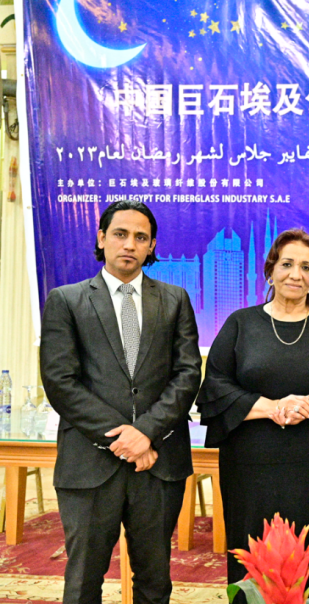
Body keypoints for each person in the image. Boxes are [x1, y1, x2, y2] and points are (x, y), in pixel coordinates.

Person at [40, 200, 201, 604]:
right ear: (101, 238)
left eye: (141, 237)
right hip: (89, 464)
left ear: (151, 246)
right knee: (83, 582)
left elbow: (187, 374)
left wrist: (145, 433)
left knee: (154, 581)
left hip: (157, 463)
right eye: (120, 234)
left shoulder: (175, 299)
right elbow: (60, 381)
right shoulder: (67, 300)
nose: (130, 244)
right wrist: (123, 439)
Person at [197, 229, 309, 598]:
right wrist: (273, 408)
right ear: (270, 270)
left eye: (306, 267)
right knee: (252, 557)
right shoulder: (240, 323)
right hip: (251, 466)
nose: (296, 274)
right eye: (287, 264)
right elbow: (216, 387)